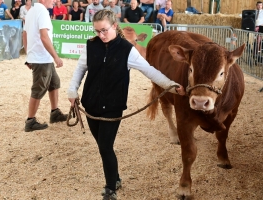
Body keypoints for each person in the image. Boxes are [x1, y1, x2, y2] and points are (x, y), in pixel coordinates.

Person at [67, 9, 185, 200]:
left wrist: (171, 85)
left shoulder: (127, 50)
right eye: (97, 31)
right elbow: (80, 69)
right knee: (103, 146)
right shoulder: (91, 46)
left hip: (113, 106)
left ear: (114, 26)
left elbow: (150, 71)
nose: (101, 35)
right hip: (90, 105)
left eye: (104, 30)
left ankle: (110, 188)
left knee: (105, 146)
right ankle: (115, 177)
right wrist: (72, 91)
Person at [23, 0, 68, 132]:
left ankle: (55, 113)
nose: (55, 1)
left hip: (40, 57)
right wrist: (56, 57)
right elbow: (44, 37)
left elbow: (24, 35)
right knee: (39, 88)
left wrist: (28, 55)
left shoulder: (31, 11)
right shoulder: (42, 11)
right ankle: (30, 121)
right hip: (42, 58)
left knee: (54, 83)